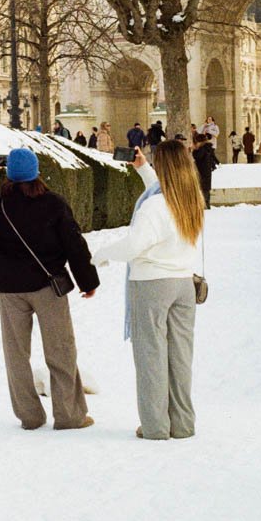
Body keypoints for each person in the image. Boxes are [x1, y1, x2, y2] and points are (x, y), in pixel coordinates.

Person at [0, 148, 100, 431]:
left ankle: (30, 416)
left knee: (16, 353)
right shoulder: (54, 203)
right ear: (36, 172)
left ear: (8, 174)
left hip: (10, 289)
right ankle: (69, 416)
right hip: (47, 287)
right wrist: (87, 281)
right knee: (61, 351)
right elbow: (74, 245)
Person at [94, 141, 204, 441]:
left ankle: (155, 425)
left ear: (166, 168)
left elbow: (134, 246)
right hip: (183, 284)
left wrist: (99, 255)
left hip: (152, 284)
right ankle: (182, 423)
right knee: (180, 357)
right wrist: (143, 169)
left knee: (150, 356)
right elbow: (160, 192)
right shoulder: (191, 199)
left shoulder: (155, 207)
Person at [192, 131, 218, 210]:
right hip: (206, 171)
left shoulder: (203, 148)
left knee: (204, 188)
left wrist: (194, 150)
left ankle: (205, 205)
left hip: (203, 171)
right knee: (205, 189)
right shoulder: (207, 147)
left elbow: (198, 157)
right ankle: (206, 204)